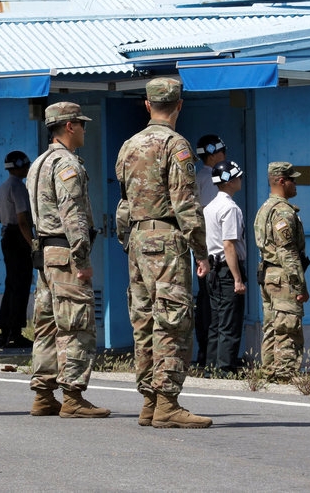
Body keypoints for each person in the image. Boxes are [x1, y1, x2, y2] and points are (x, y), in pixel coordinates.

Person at [116, 78, 212, 429]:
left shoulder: (129, 145)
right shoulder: (176, 145)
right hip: (167, 239)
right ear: (179, 105)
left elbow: (124, 203)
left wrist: (129, 240)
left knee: (143, 321)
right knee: (172, 320)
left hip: (137, 240)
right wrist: (201, 251)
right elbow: (185, 202)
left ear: (147, 105)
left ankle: (149, 400)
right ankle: (167, 402)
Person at [27, 101, 109, 419]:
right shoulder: (66, 164)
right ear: (70, 126)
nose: (85, 131)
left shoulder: (39, 163)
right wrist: (81, 258)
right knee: (76, 323)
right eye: (82, 125)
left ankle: (43, 393)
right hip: (65, 252)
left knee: (47, 324)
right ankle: (73, 395)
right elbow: (72, 214)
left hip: (46, 254)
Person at [254, 161, 309, 382]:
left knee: (271, 327)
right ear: (281, 181)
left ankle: (269, 373)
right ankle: (285, 376)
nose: (296, 184)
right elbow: (288, 252)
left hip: (269, 276)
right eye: (292, 180)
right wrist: (299, 285)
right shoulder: (283, 212)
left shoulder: (265, 209)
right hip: (283, 277)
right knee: (288, 328)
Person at [203, 160, 247, 376]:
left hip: (212, 268)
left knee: (215, 321)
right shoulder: (230, 208)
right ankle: (225, 369)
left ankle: (211, 367)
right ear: (229, 181)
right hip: (227, 269)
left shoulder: (210, 207)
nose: (240, 179)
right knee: (230, 320)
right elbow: (229, 244)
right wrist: (238, 278)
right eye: (237, 176)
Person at [0, 150, 35, 348]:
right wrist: (33, 244)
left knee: (11, 284)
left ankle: (5, 331)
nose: (28, 168)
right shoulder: (18, 187)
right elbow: (22, 220)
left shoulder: (3, 187)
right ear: (19, 165)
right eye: (26, 165)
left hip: (7, 237)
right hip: (18, 238)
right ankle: (15, 332)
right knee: (21, 285)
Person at [193, 134, 226, 367]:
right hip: (211, 252)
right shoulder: (209, 179)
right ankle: (209, 357)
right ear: (213, 153)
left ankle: (207, 355)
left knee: (207, 301)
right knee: (211, 304)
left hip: (204, 250)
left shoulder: (201, 177)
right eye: (223, 151)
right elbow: (210, 218)